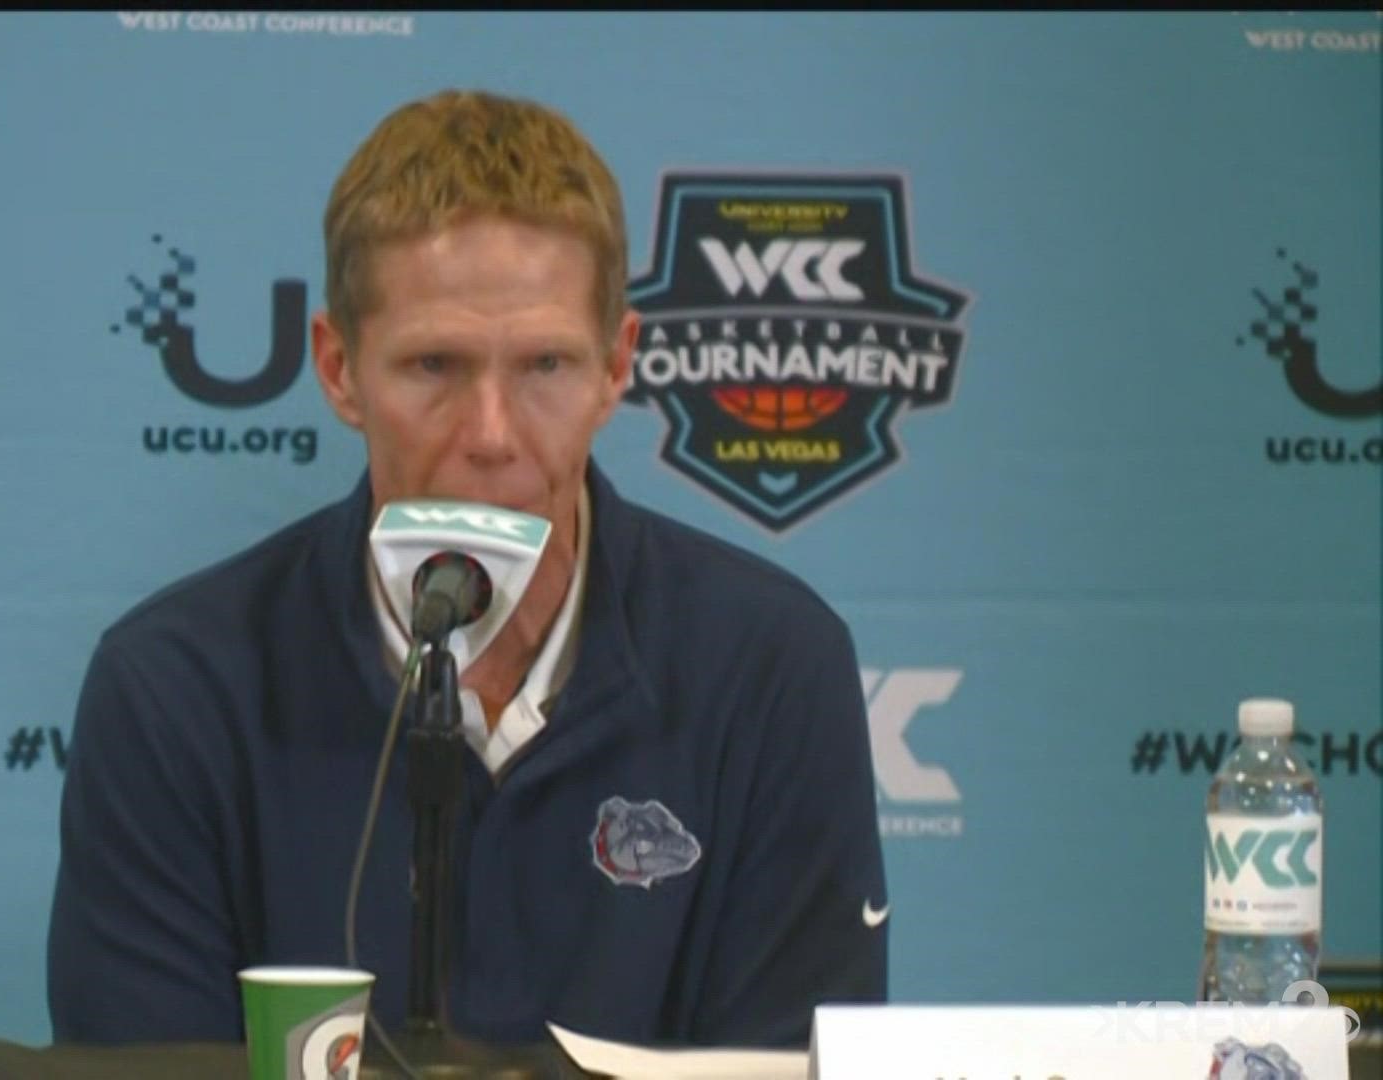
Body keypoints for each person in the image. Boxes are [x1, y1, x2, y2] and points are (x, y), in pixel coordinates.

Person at [46, 88, 886, 1051]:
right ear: (337, 368)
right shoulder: (175, 688)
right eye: (435, 366)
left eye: (545, 368)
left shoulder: (773, 670)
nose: (491, 438)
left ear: (619, 367)